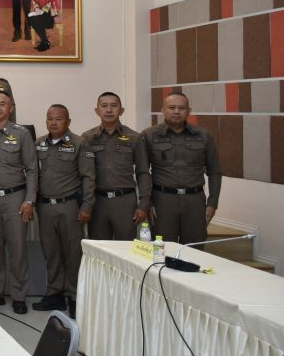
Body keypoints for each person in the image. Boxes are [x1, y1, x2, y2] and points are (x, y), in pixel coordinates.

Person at [0, 91, 37, 315]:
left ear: (11, 108)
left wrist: (29, 200)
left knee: (18, 249)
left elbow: (32, 169)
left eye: (3, 104)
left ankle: (19, 296)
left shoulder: (22, 134)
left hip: (15, 198)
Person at [32, 104, 95, 319]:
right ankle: (55, 293)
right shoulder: (39, 143)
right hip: (45, 207)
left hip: (69, 207)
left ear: (68, 121)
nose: (53, 122)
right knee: (51, 253)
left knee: (73, 253)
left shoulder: (79, 143)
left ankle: (75, 296)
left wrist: (87, 206)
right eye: (50, 118)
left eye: (58, 119)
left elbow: (89, 177)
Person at [143, 93, 222, 245]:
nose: (176, 111)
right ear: (163, 110)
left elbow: (215, 171)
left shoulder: (203, 135)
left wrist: (213, 202)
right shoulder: (149, 135)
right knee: (163, 249)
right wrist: (148, 202)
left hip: (194, 202)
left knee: (194, 249)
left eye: (181, 108)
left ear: (189, 111)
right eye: (172, 107)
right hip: (162, 202)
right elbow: (143, 172)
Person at [81, 92, 151, 240]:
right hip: (97, 202)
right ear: (97, 111)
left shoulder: (134, 137)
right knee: (99, 247)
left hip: (125, 202)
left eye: (114, 106)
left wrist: (144, 203)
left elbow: (143, 172)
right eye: (104, 106)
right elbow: (83, 173)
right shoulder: (87, 138)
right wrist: (84, 204)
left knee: (125, 247)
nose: (109, 110)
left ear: (121, 110)